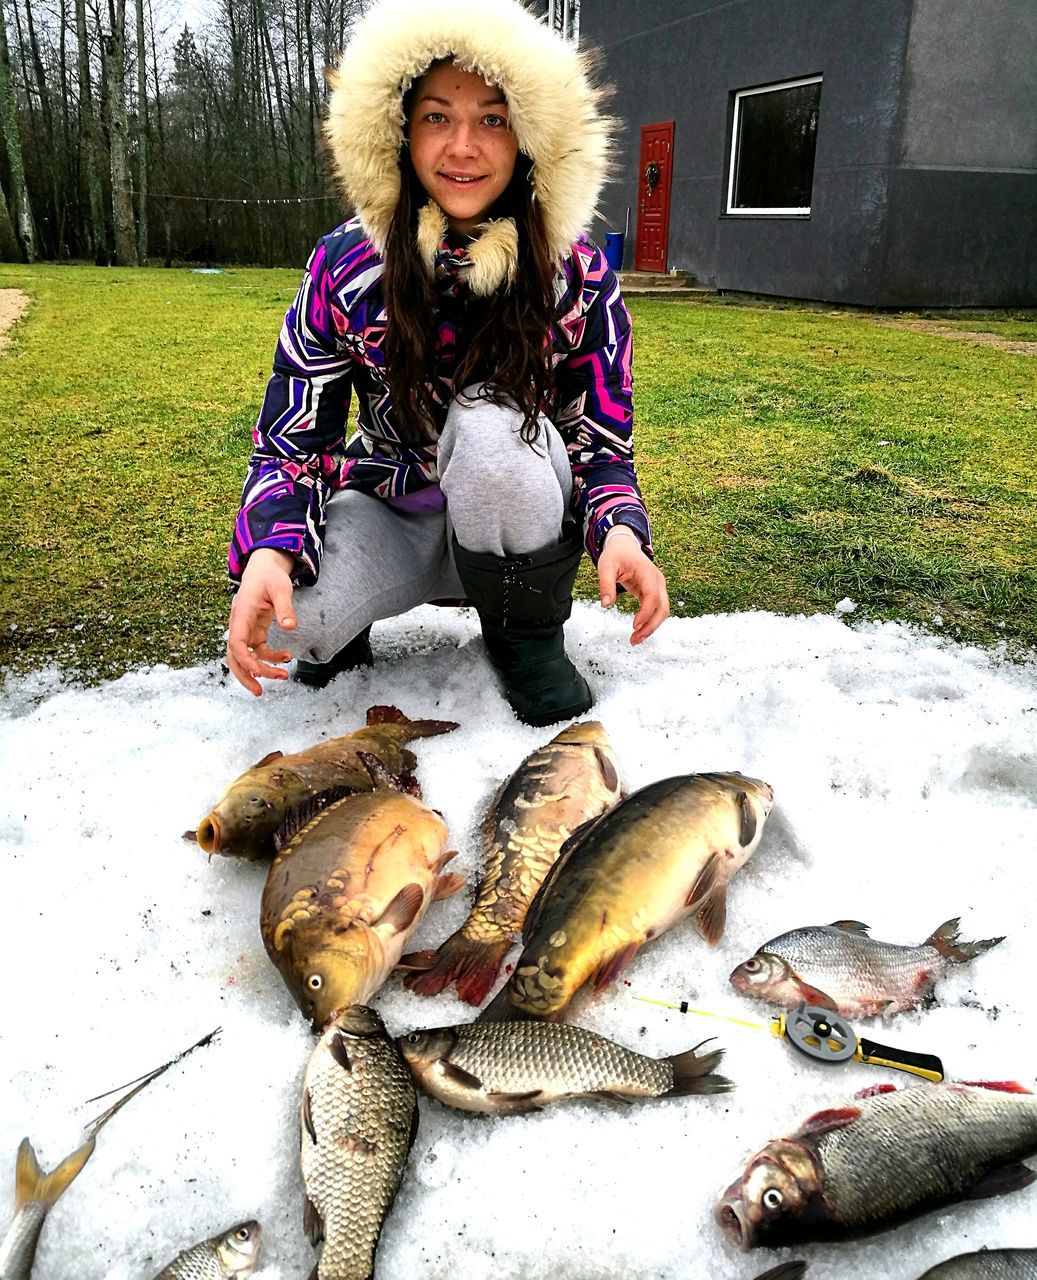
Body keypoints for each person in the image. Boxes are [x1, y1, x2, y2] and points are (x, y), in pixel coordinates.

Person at [225, 0, 669, 727]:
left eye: (492, 118)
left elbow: (601, 442)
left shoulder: (579, 274)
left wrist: (619, 531)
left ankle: (524, 639)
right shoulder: (344, 265)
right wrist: (270, 553)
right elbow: (291, 439)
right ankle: (343, 626)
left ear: (530, 135)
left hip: (512, 525)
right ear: (397, 132)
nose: (462, 146)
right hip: (391, 510)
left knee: (492, 423)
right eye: (437, 117)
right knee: (282, 620)